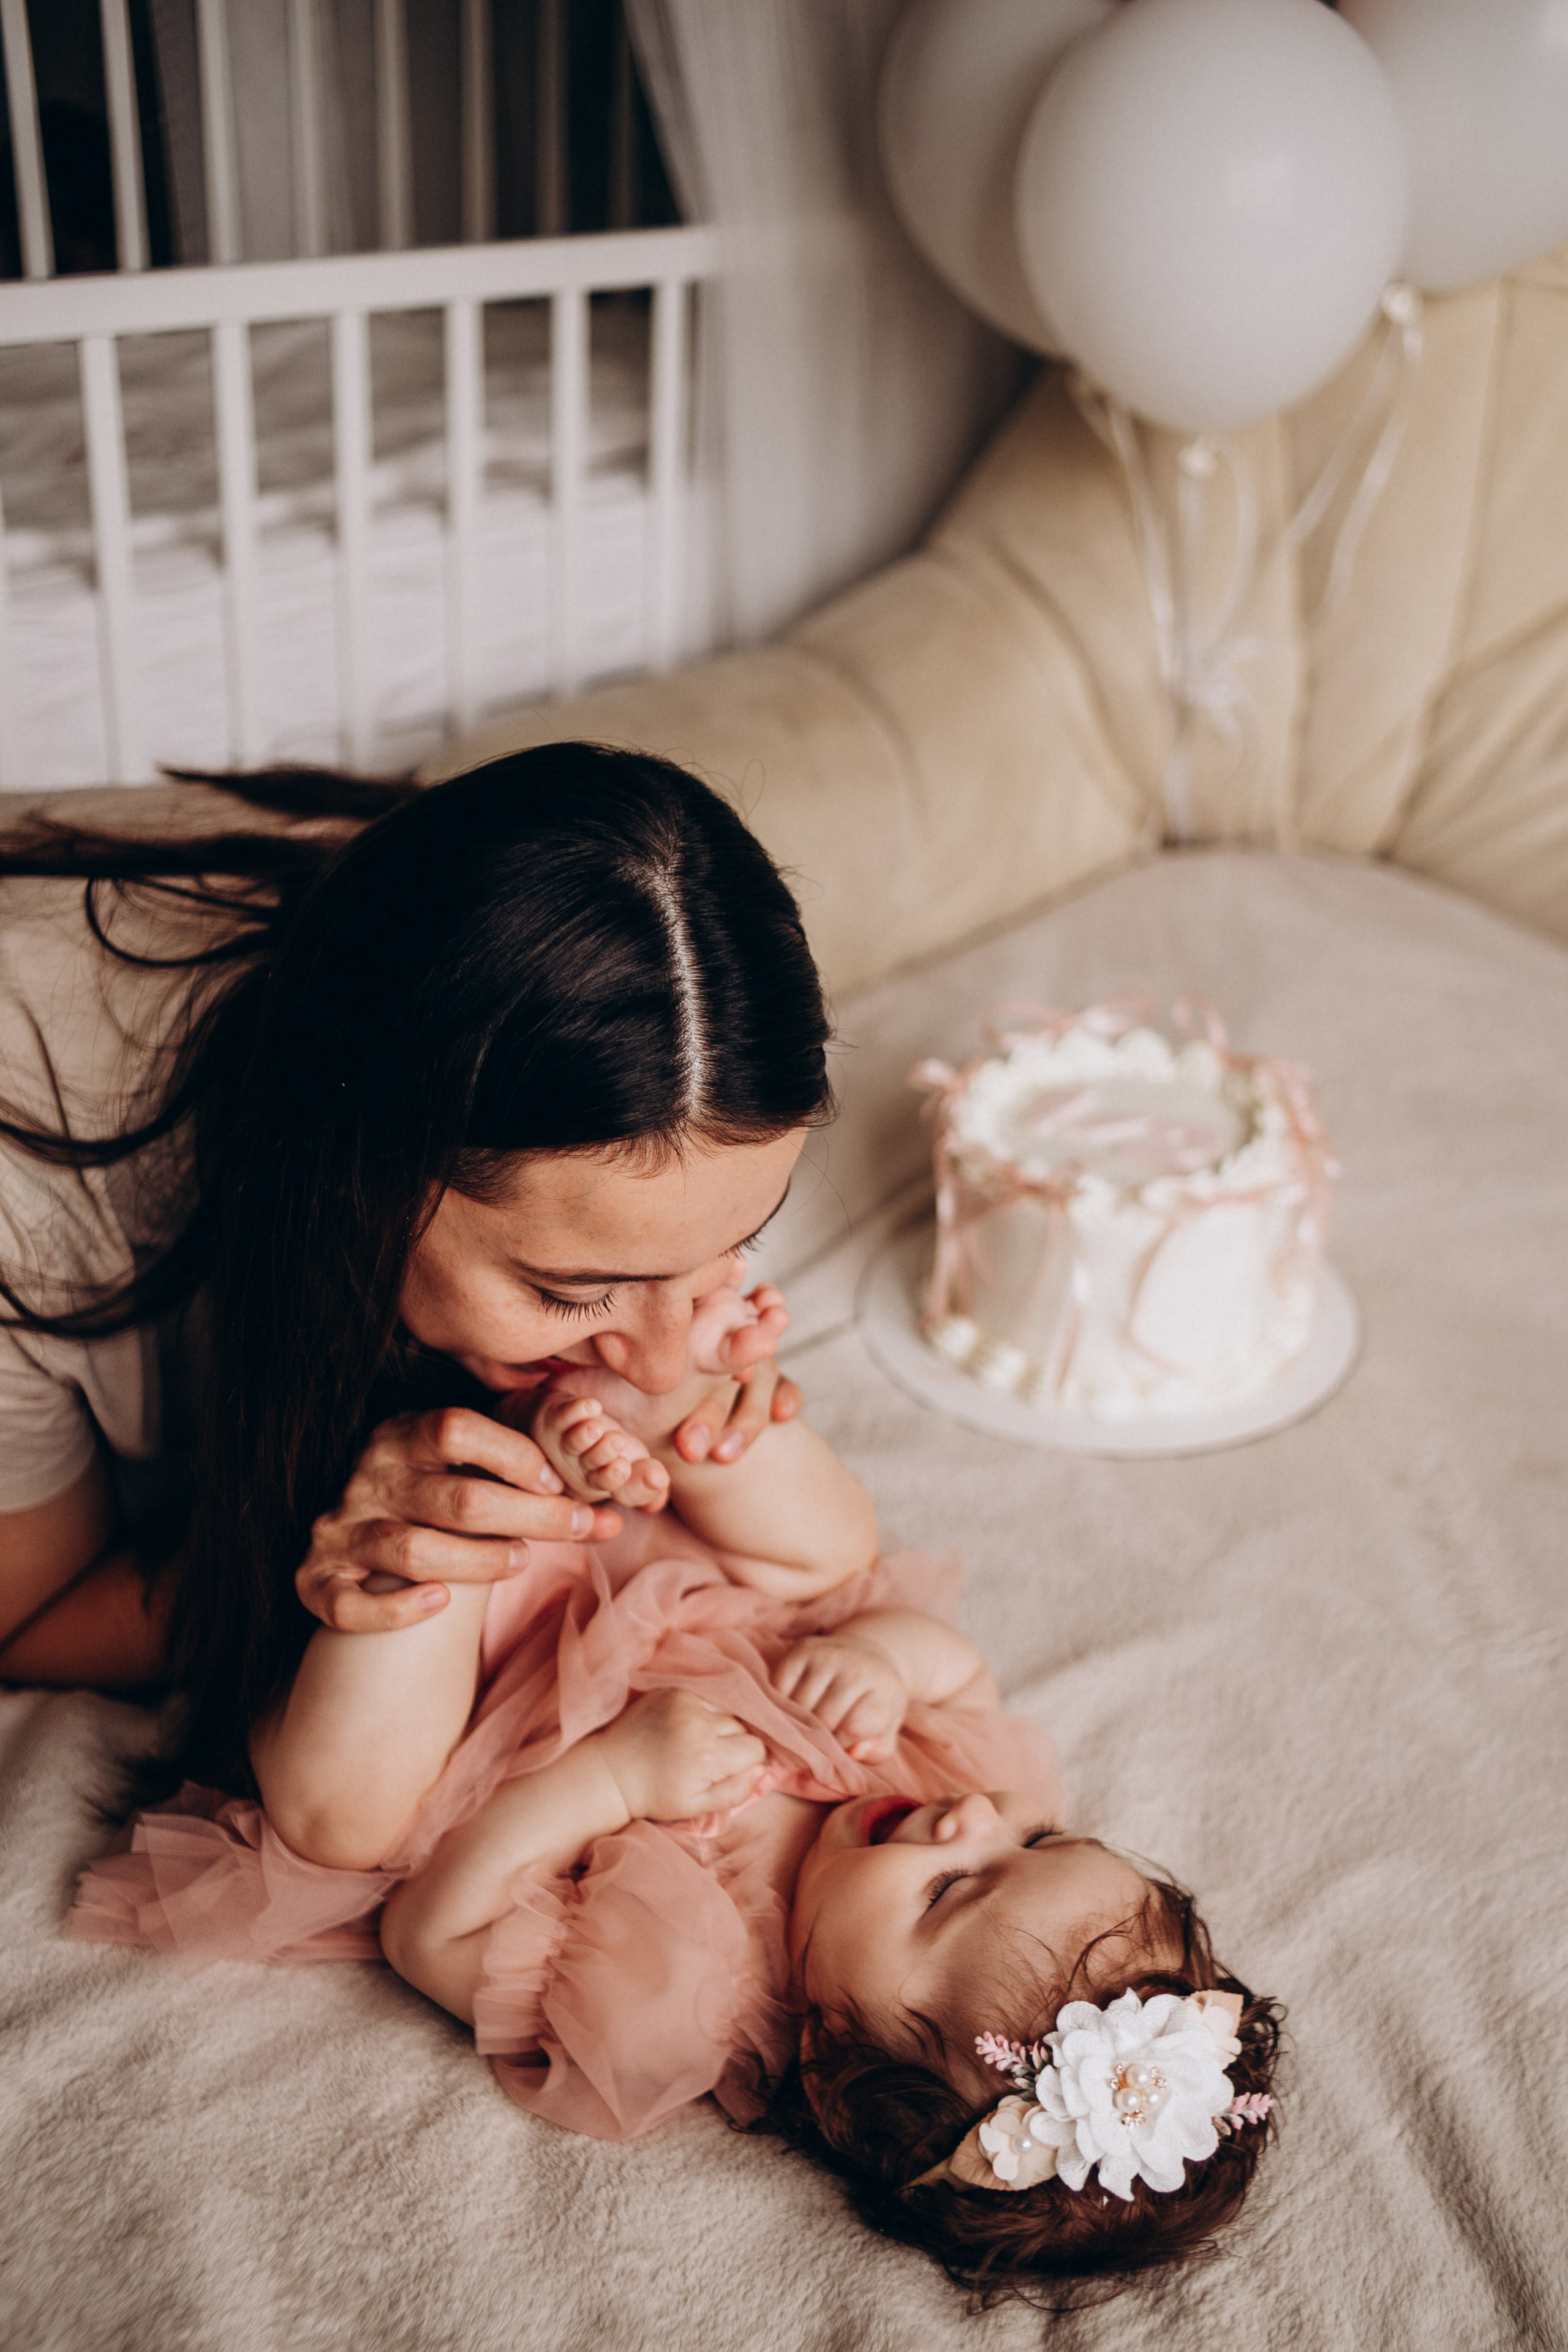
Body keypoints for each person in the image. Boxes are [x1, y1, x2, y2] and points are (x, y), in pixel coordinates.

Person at [70, 1344, 1281, 2304]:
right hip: (634, 1559)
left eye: (952, 1888)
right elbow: (958, 1676)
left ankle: (442, 1529)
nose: (971, 1820)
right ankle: (661, 1402)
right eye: (1038, 1844)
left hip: (473, 1683)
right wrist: (884, 1658)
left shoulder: (679, 2001)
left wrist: (609, 1784)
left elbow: (428, 1933)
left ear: (830, 2063)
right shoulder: (960, 1792)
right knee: (835, 1553)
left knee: (341, 1817)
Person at [0, 749, 829, 1795]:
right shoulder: (27, 1213)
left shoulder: (570, 947)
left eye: (730, 1246)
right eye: (572, 1293)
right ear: (360, 1183)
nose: (664, 1369)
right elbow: (27, 1621)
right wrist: (313, 1529)